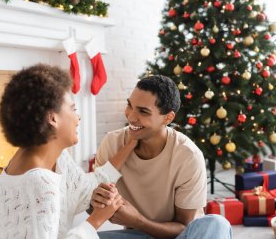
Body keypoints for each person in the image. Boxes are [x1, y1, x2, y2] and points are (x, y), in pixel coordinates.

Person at [0, 64, 137, 239]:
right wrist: (95, 221)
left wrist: (131, 143)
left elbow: (84, 187)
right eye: (73, 109)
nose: (78, 117)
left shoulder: (54, 157)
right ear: (53, 118)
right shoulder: (39, 183)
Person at [93, 75, 232, 239]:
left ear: (168, 117)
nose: (131, 116)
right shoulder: (112, 143)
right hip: (138, 235)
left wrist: (139, 221)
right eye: (130, 105)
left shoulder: (188, 156)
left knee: (217, 224)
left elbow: (184, 227)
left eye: (143, 111)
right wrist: (96, 200)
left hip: (181, 236)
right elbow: (92, 208)